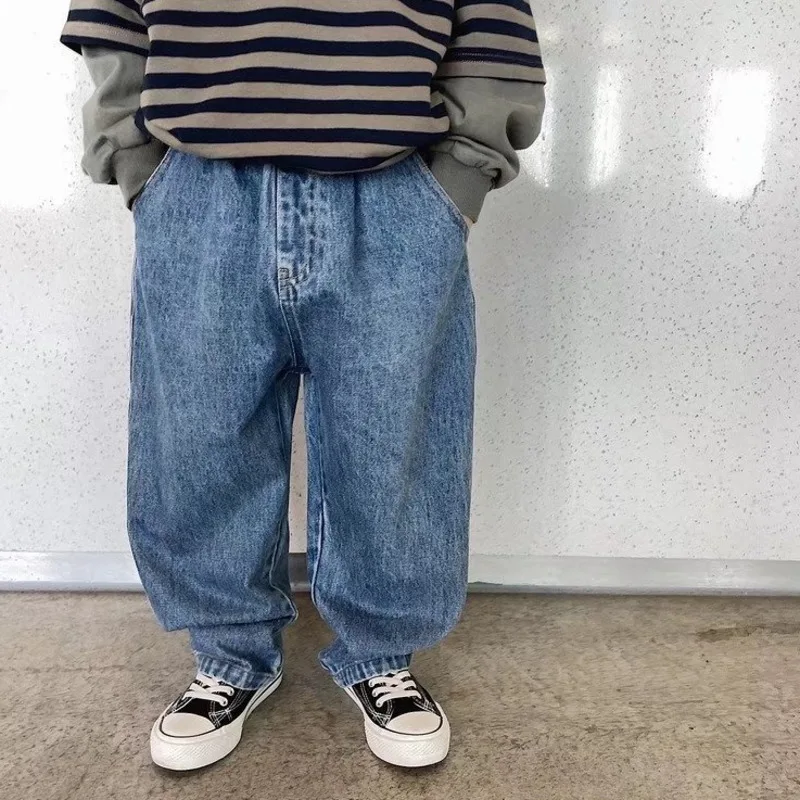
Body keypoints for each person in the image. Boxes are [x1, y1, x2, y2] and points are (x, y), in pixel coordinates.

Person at [60, 0, 546, 771]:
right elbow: (113, 19)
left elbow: (492, 24)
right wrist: (135, 161)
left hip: (394, 187)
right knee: (201, 435)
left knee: (391, 437)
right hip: (200, 186)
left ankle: (383, 652)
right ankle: (226, 655)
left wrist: (457, 177)